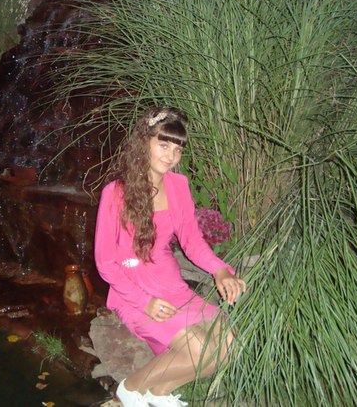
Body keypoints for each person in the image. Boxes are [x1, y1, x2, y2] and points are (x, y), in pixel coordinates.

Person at [94, 107, 247, 407]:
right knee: (198, 349)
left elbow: (191, 240)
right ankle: (129, 389)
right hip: (134, 290)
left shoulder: (178, 186)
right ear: (144, 142)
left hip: (171, 284)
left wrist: (220, 270)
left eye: (177, 149)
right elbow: (105, 262)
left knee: (230, 344)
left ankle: (158, 393)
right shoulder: (116, 192)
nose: (171, 156)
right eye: (163, 145)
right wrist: (144, 303)